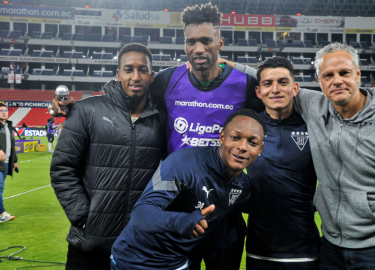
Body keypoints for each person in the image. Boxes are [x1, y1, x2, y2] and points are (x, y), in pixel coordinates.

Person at [52, 3, 261, 270]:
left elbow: (279, 99)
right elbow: (129, 98)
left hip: (223, 206)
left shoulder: (245, 83)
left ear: (220, 42)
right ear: (184, 45)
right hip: (174, 207)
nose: (198, 48)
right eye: (191, 42)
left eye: (206, 41)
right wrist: (71, 106)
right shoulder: (167, 80)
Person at [229, 42, 375, 270]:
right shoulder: (316, 104)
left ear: (358, 74)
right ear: (320, 81)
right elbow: (271, 81)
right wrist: (223, 63)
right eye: (328, 75)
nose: (337, 81)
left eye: (344, 73)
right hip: (332, 245)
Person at [50, 43, 166, 270]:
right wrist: (83, 217)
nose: (135, 76)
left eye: (143, 70)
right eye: (128, 69)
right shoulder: (87, 110)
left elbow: (170, 171)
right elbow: (63, 168)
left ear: (152, 76)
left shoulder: (163, 118)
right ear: (118, 74)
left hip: (139, 244)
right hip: (88, 245)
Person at [110, 109, 265, 270]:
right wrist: (180, 221)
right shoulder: (182, 163)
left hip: (178, 262)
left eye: (252, 143)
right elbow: (140, 214)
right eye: (235, 137)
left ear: (260, 149)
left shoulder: (243, 186)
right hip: (135, 260)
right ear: (222, 137)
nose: (242, 147)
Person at [244, 57, 320, 270]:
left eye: (283, 82)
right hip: (259, 249)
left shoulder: (314, 127)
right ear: (259, 92)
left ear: (295, 88)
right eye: (268, 83)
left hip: (303, 250)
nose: (275, 89)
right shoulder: (247, 128)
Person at [0, 103, 18, 223]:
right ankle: (2, 212)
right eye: (1, 110)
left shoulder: (8, 126)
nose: (4, 112)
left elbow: (12, 145)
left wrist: (15, 160)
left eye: (6, 110)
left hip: (6, 162)